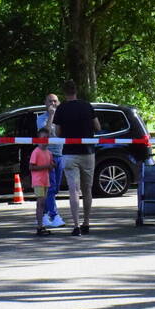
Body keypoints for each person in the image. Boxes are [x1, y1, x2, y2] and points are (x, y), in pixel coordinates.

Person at [52, 80, 101, 236]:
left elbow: (58, 133)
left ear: (64, 92)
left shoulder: (61, 109)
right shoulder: (87, 106)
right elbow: (98, 127)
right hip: (87, 152)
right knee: (87, 189)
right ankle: (86, 222)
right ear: (76, 90)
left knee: (73, 189)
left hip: (69, 153)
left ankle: (76, 225)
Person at [36, 93, 66, 229]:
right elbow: (46, 134)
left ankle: (45, 214)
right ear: (45, 103)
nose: (53, 104)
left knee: (55, 188)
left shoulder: (62, 118)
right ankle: (54, 215)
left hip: (60, 154)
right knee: (51, 187)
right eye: (50, 101)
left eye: (55, 101)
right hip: (48, 155)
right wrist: (52, 116)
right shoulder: (41, 118)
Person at [29, 128, 55, 236]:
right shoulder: (36, 152)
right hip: (38, 181)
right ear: (38, 139)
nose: (45, 140)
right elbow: (31, 167)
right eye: (43, 138)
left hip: (45, 180)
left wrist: (52, 166)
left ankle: (42, 225)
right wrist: (47, 166)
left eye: (47, 138)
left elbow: (51, 166)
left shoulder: (49, 152)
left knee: (43, 204)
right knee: (40, 203)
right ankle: (39, 226)